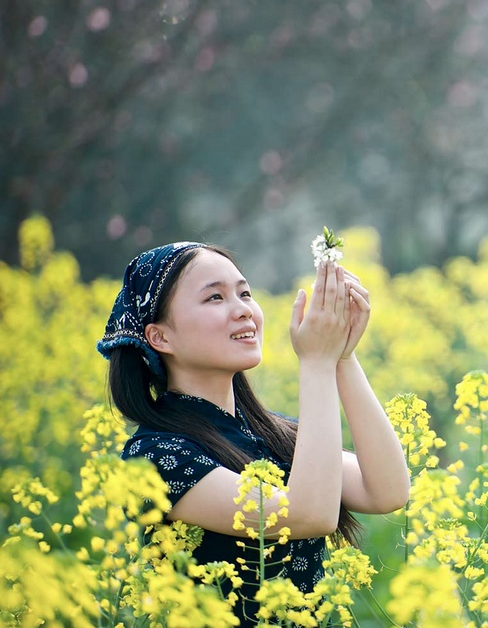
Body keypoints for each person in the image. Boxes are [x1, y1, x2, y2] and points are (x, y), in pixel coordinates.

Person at [96, 241, 410, 626]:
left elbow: (387, 491)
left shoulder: (270, 433)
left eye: (244, 293)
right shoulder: (156, 457)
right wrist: (316, 362)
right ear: (160, 337)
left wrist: (343, 357)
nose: (243, 309)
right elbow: (310, 515)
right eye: (215, 297)